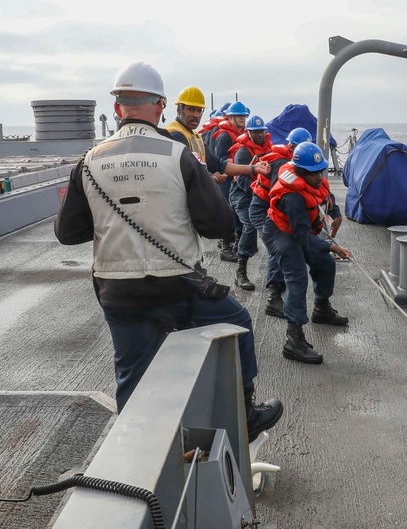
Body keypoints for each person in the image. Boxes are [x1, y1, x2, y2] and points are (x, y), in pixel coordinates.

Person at [53, 62, 284, 442]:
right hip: (178, 288)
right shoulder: (179, 156)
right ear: (161, 106)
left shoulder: (87, 162)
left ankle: (132, 452)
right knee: (238, 323)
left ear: (117, 109)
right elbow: (219, 225)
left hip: (118, 292)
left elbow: (68, 232)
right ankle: (246, 415)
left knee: (131, 373)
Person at [262, 142, 350, 365]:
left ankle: (321, 309)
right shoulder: (293, 197)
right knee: (297, 276)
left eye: (320, 172)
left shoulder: (315, 181)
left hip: (301, 231)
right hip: (280, 232)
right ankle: (293, 340)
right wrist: (332, 246)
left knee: (325, 264)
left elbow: (326, 199)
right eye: (312, 174)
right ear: (301, 172)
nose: (319, 177)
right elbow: (302, 236)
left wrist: (337, 214)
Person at [249, 127, 315, 318]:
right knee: (279, 247)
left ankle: (281, 286)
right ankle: (273, 297)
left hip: (268, 207)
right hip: (263, 210)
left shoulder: (292, 160)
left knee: (283, 246)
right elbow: (278, 197)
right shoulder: (282, 163)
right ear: (291, 146)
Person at [165, 87, 270, 185]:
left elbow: (219, 165)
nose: (196, 115)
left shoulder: (196, 137)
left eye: (199, 110)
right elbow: (188, 173)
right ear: (179, 110)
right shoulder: (175, 135)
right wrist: (214, 179)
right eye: (191, 109)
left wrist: (254, 168)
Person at [228, 114, 272, 291]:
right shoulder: (243, 153)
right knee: (250, 225)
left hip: (261, 195)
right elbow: (242, 181)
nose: (260, 135)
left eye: (262, 131)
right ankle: (241, 272)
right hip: (242, 195)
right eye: (256, 132)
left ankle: (277, 276)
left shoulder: (268, 149)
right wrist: (262, 192)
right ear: (249, 133)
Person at [209, 101, 251, 262]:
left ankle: (235, 245)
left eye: (244, 116)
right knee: (228, 212)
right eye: (239, 116)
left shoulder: (240, 133)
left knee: (237, 213)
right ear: (230, 117)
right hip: (226, 178)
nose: (242, 118)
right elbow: (220, 159)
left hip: (236, 176)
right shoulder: (225, 135)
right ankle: (225, 247)